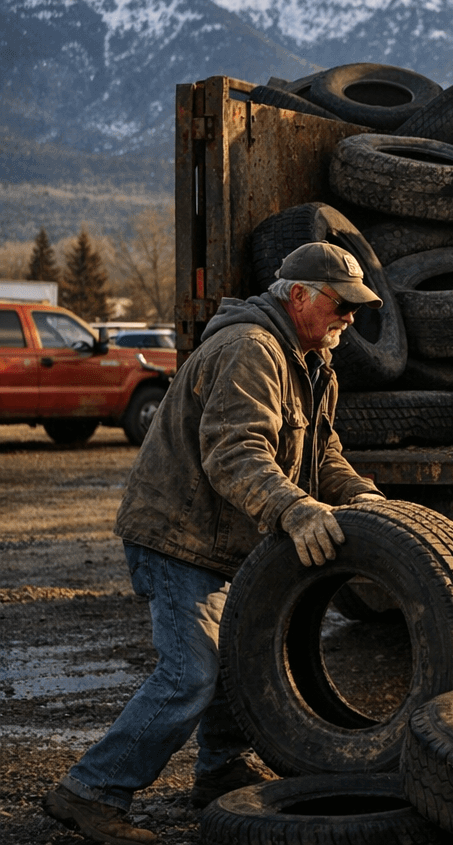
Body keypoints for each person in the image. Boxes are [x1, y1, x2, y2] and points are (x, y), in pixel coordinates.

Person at [45, 243, 389, 845]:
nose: (350, 320)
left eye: (356, 308)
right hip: (181, 537)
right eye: (341, 305)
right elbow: (234, 453)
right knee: (191, 674)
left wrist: (364, 497)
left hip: (229, 537)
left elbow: (321, 453)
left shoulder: (311, 361)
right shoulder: (249, 350)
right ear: (300, 295)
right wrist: (294, 509)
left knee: (241, 658)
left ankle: (219, 769)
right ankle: (90, 791)